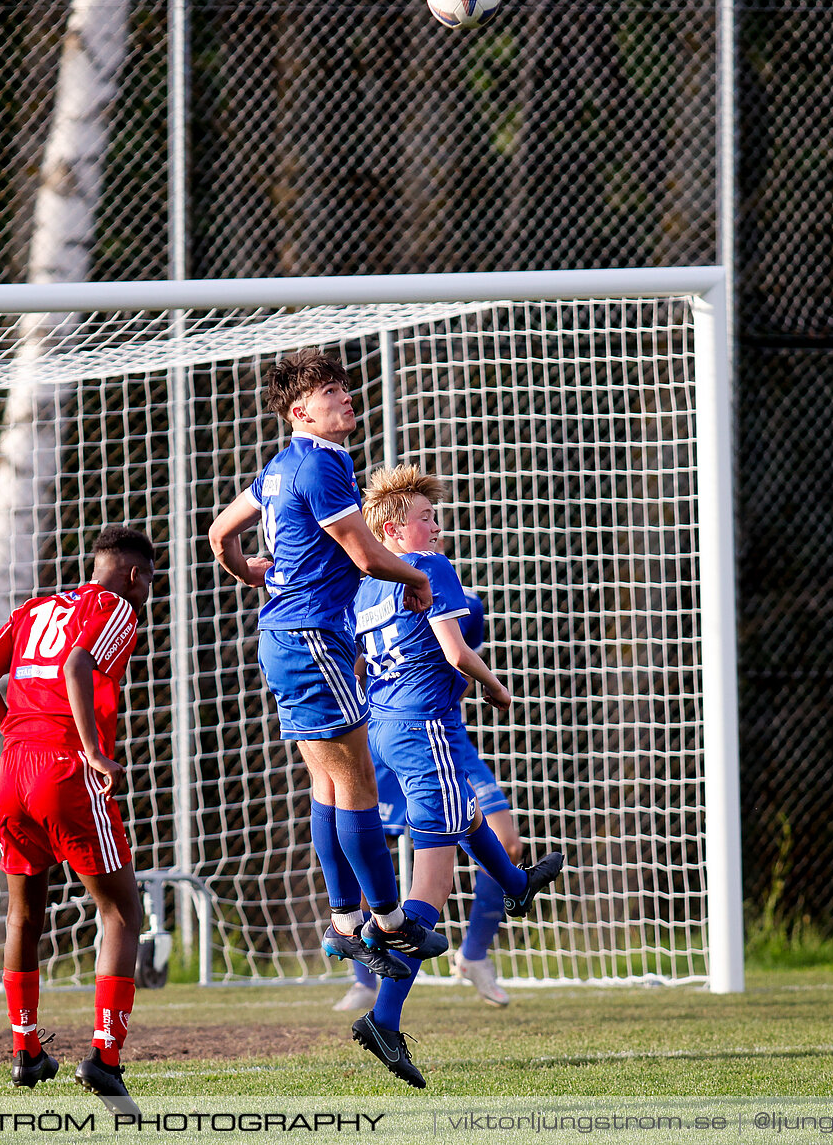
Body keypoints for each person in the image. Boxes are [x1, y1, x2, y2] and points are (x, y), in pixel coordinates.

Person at [206, 350, 443, 979]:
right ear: (299, 411)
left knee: (330, 785)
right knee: (358, 779)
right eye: (329, 391)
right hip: (312, 637)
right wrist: (416, 578)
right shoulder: (320, 466)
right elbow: (366, 556)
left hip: (285, 635)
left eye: (344, 386)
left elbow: (219, 532)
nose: (345, 397)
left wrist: (250, 572)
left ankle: (344, 926)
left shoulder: (282, 467)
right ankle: (390, 925)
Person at [346, 465, 565, 1085]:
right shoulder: (430, 570)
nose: (436, 527)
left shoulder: (365, 586)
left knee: (462, 816)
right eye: (425, 517)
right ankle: (383, 1015)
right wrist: (496, 688)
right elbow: (452, 651)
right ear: (393, 529)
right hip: (425, 726)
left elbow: (361, 661)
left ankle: (515, 884)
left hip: (385, 728)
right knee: (430, 893)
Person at [0, 526, 154, 1114]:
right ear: (133, 575)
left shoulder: (35, 606)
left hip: (14, 767)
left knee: (25, 912)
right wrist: (93, 749)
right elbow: (77, 662)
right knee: (122, 910)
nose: (148, 590)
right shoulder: (116, 606)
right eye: (149, 580)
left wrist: (11, 728)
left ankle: (25, 1049)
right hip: (66, 765)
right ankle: (105, 1055)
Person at [333, 592, 530, 1012]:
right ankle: (367, 980)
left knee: (507, 842)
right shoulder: (362, 591)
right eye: (425, 519)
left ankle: (473, 955)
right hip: (387, 727)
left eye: (434, 520)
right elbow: (356, 665)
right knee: (372, 853)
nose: (434, 526)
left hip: (442, 735)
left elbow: (457, 664)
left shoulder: (466, 604)